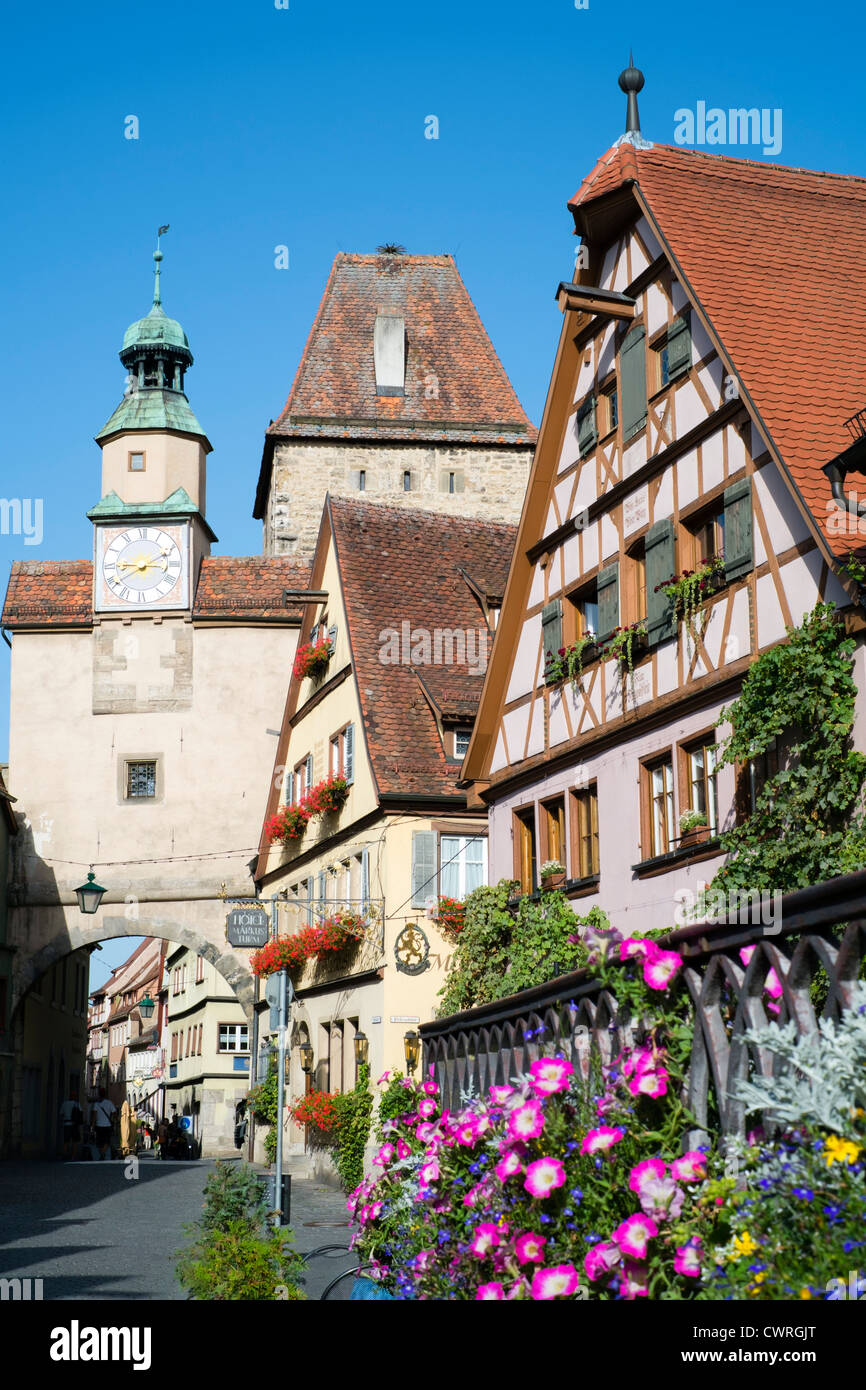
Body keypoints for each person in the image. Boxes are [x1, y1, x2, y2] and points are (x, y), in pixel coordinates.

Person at [91, 1088, 117, 1160]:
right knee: (106, 1141)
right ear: (105, 1094)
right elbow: (114, 1113)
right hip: (107, 1125)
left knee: (99, 1142)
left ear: (99, 1094)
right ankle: (103, 1154)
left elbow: (94, 1116)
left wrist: (92, 1126)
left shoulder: (96, 1104)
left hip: (98, 1125)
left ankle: (102, 1154)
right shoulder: (109, 1103)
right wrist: (115, 1120)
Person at [58, 1089, 83, 1159]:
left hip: (66, 1124)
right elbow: (81, 1114)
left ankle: (64, 1155)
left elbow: (61, 1114)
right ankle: (73, 1156)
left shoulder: (64, 1104)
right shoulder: (77, 1104)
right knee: (75, 1141)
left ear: (69, 1096)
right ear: (75, 1097)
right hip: (74, 1125)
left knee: (66, 1141)